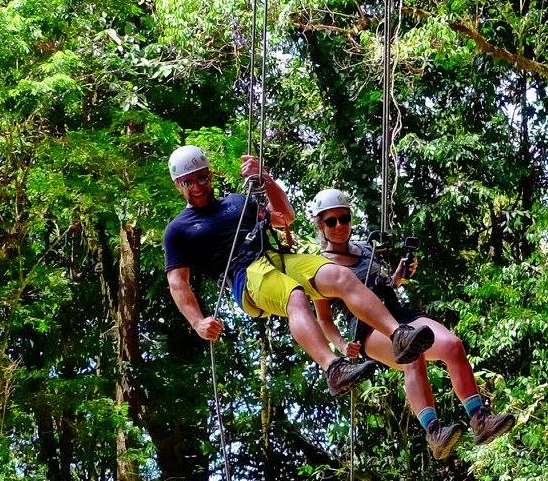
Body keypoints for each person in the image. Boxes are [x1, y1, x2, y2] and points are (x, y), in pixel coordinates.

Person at [162, 146, 437, 394]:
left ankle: (398, 334)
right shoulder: (178, 229)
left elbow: (285, 217)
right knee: (294, 296)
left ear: (210, 174)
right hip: (246, 278)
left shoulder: (237, 202)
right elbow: (178, 282)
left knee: (339, 275)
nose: (197, 186)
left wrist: (265, 178)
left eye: (202, 177)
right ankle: (333, 368)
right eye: (188, 181)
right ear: (177, 185)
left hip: (276, 258)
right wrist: (198, 322)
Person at [308, 187, 516, 460]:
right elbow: (324, 319)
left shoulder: (366, 249)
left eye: (344, 218)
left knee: (452, 345)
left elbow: (383, 287)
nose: (339, 226)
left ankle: (480, 418)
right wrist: (342, 345)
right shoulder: (320, 267)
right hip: (368, 330)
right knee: (411, 354)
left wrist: (398, 276)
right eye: (331, 221)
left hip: (400, 315)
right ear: (320, 225)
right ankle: (434, 431)